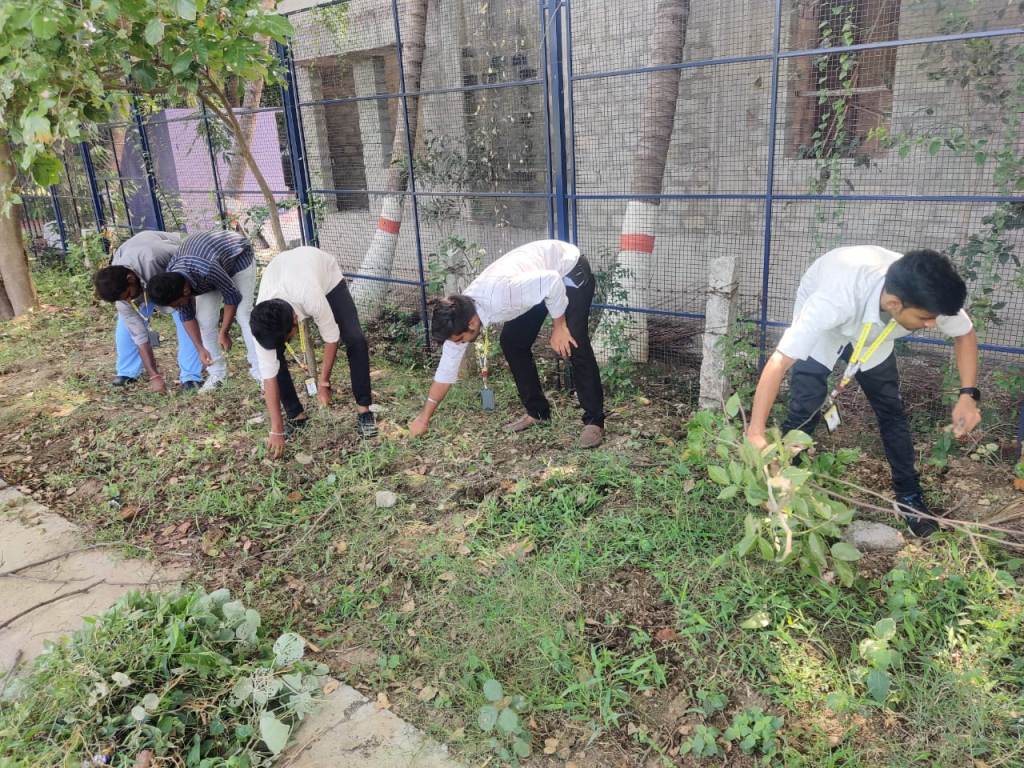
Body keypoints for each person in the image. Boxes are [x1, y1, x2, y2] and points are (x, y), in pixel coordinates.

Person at [745, 246, 982, 538]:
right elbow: (779, 362)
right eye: (925, 319)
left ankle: (909, 497)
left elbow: (964, 333)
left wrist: (968, 395)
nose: (932, 325)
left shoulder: (929, 295)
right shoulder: (831, 300)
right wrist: (756, 431)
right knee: (805, 407)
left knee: (891, 411)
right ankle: (780, 485)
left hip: (875, 339)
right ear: (894, 303)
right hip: (826, 333)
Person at [409, 239, 605, 448]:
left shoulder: (502, 296)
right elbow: (445, 372)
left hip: (568, 269)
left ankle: (594, 421)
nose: (460, 344)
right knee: (513, 342)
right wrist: (423, 419)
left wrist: (559, 326)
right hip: (537, 280)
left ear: (472, 323)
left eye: (460, 340)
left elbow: (552, 280)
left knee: (573, 341)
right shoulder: (460, 315)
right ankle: (538, 412)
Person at [249, 247, 378, 457]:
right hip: (282, 270)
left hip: (325, 275)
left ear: (295, 320)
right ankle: (296, 416)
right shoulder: (262, 320)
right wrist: (276, 429)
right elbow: (269, 377)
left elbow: (331, 338)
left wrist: (324, 383)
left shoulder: (310, 296)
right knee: (275, 356)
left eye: (288, 337)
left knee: (355, 339)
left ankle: (364, 409)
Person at [147, 229, 260, 392]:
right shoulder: (174, 282)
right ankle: (217, 374)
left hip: (237, 257)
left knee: (243, 315)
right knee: (205, 321)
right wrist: (200, 348)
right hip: (208, 269)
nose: (178, 308)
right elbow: (187, 316)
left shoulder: (206, 269)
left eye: (178, 304)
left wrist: (224, 332)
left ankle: (260, 371)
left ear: (186, 291)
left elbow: (232, 296)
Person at [93, 230, 206, 393]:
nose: (129, 301)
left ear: (130, 279)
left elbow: (188, 254)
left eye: (128, 295)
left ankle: (191, 376)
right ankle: (127, 371)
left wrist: (186, 288)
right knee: (127, 322)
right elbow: (139, 336)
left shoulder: (154, 255)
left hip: (171, 279)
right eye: (124, 299)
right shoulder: (119, 289)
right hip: (139, 280)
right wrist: (154, 376)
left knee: (184, 316)